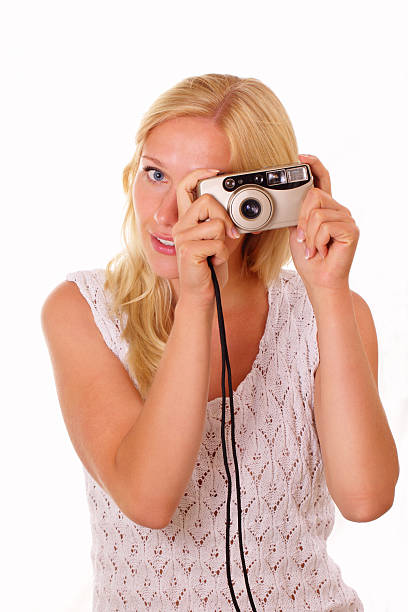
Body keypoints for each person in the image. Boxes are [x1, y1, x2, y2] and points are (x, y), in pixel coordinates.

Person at [41, 73, 399, 611]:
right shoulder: (82, 309)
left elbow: (366, 498)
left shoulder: (328, 313)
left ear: (259, 200)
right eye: (155, 174)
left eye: (205, 191)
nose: (166, 216)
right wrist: (196, 303)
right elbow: (148, 499)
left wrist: (328, 294)